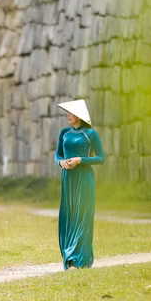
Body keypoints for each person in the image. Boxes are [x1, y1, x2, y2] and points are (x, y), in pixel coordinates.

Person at [54, 99, 105, 269]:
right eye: (67, 112)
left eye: (71, 113)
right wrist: (60, 162)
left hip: (84, 179)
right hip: (68, 179)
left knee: (82, 217)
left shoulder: (91, 134)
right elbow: (58, 155)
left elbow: (101, 158)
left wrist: (80, 160)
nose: (68, 115)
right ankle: (69, 258)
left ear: (80, 116)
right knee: (69, 217)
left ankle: (78, 259)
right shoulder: (64, 133)